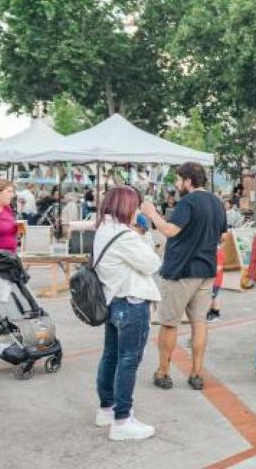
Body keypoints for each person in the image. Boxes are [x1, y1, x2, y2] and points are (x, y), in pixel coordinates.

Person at [141, 162, 227, 392]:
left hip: (181, 271)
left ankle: (163, 372)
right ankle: (197, 373)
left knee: (169, 323)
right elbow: (223, 236)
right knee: (199, 322)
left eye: (179, 180)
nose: (177, 184)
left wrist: (152, 214)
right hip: (206, 271)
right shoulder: (217, 203)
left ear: (189, 181)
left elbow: (170, 230)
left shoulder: (188, 202)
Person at [91, 187, 162, 441]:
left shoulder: (103, 229)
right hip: (131, 302)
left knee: (111, 356)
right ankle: (122, 420)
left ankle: (106, 409)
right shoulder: (125, 235)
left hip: (113, 301)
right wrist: (143, 234)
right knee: (128, 360)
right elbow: (153, 263)